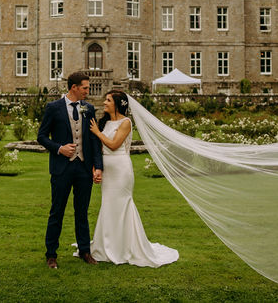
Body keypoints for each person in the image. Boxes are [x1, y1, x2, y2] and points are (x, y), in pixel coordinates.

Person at [87, 90, 179, 267]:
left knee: (122, 205)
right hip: (107, 169)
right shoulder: (105, 122)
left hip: (121, 169)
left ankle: (126, 247)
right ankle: (106, 245)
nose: (104, 102)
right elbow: (98, 149)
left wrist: (98, 133)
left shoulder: (126, 122)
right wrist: (96, 168)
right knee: (108, 204)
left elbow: (114, 145)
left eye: (108, 100)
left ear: (117, 104)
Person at [37, 72, 103, 269]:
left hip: (83, 168)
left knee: (82, 212)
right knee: (56, 212)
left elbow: (93, 139)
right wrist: (59, 148)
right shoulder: (53, 108)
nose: (87, 91)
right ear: (73, 87)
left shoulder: (88, 108)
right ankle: (51, 255)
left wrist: (97, 166)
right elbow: (41, 136)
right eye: (84, 87)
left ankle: (84, 250)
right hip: (61, 169)